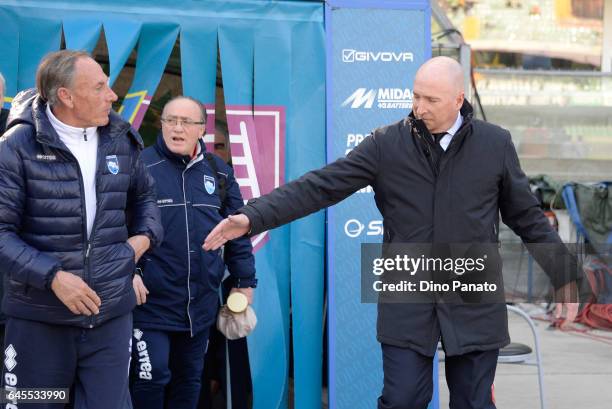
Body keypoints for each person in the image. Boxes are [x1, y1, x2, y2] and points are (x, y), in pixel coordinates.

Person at [204, 56, 580, 409]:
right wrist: (252, 217)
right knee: (401, 400)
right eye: (416, 96)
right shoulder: (387, 143)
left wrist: (564, 273)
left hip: (472, 288)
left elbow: (527, 216)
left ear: (458, 99)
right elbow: (320, 186)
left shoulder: (494, 144)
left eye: (431, 99)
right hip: (408, 287)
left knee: (473, 402)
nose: (420, 107)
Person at [0, 50, 163, 409]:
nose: (113, 95)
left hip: (110, 318)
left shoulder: (121, 137)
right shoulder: (15, 148)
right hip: (39, 320)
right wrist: (53, 277)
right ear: (66, 96)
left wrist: (140, 242)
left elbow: (147, 199)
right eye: (100, 87)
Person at [130, 96, 256, 409]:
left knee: (189, 381)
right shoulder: (139, 166)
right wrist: (127, 271)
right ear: (161, 125)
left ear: (202, 129)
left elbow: (238, 232)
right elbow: (112, 227)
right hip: (150, 304)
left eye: (186, 122)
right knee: (151, 376)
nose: (177, 128)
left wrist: (244, 282)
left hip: (199, 306)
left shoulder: (220, 172)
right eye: (170, 120)